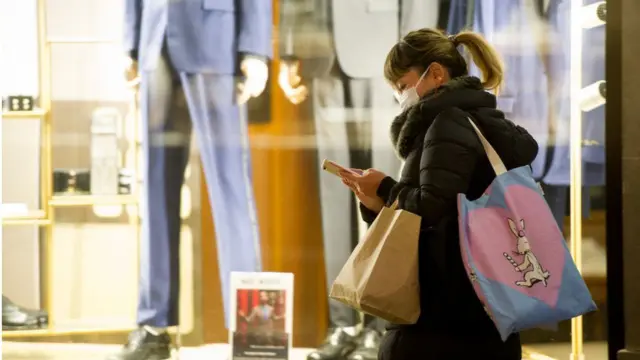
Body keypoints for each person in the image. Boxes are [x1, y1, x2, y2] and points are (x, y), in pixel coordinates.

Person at [339, 28, 538, 360]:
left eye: (403, 86)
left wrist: (386, 188)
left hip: (445, 311)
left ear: (435, 73)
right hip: (481, 303)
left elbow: (432, 208)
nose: (401, 97)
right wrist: (377, 202)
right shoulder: (474, 121)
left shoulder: (447, 122)